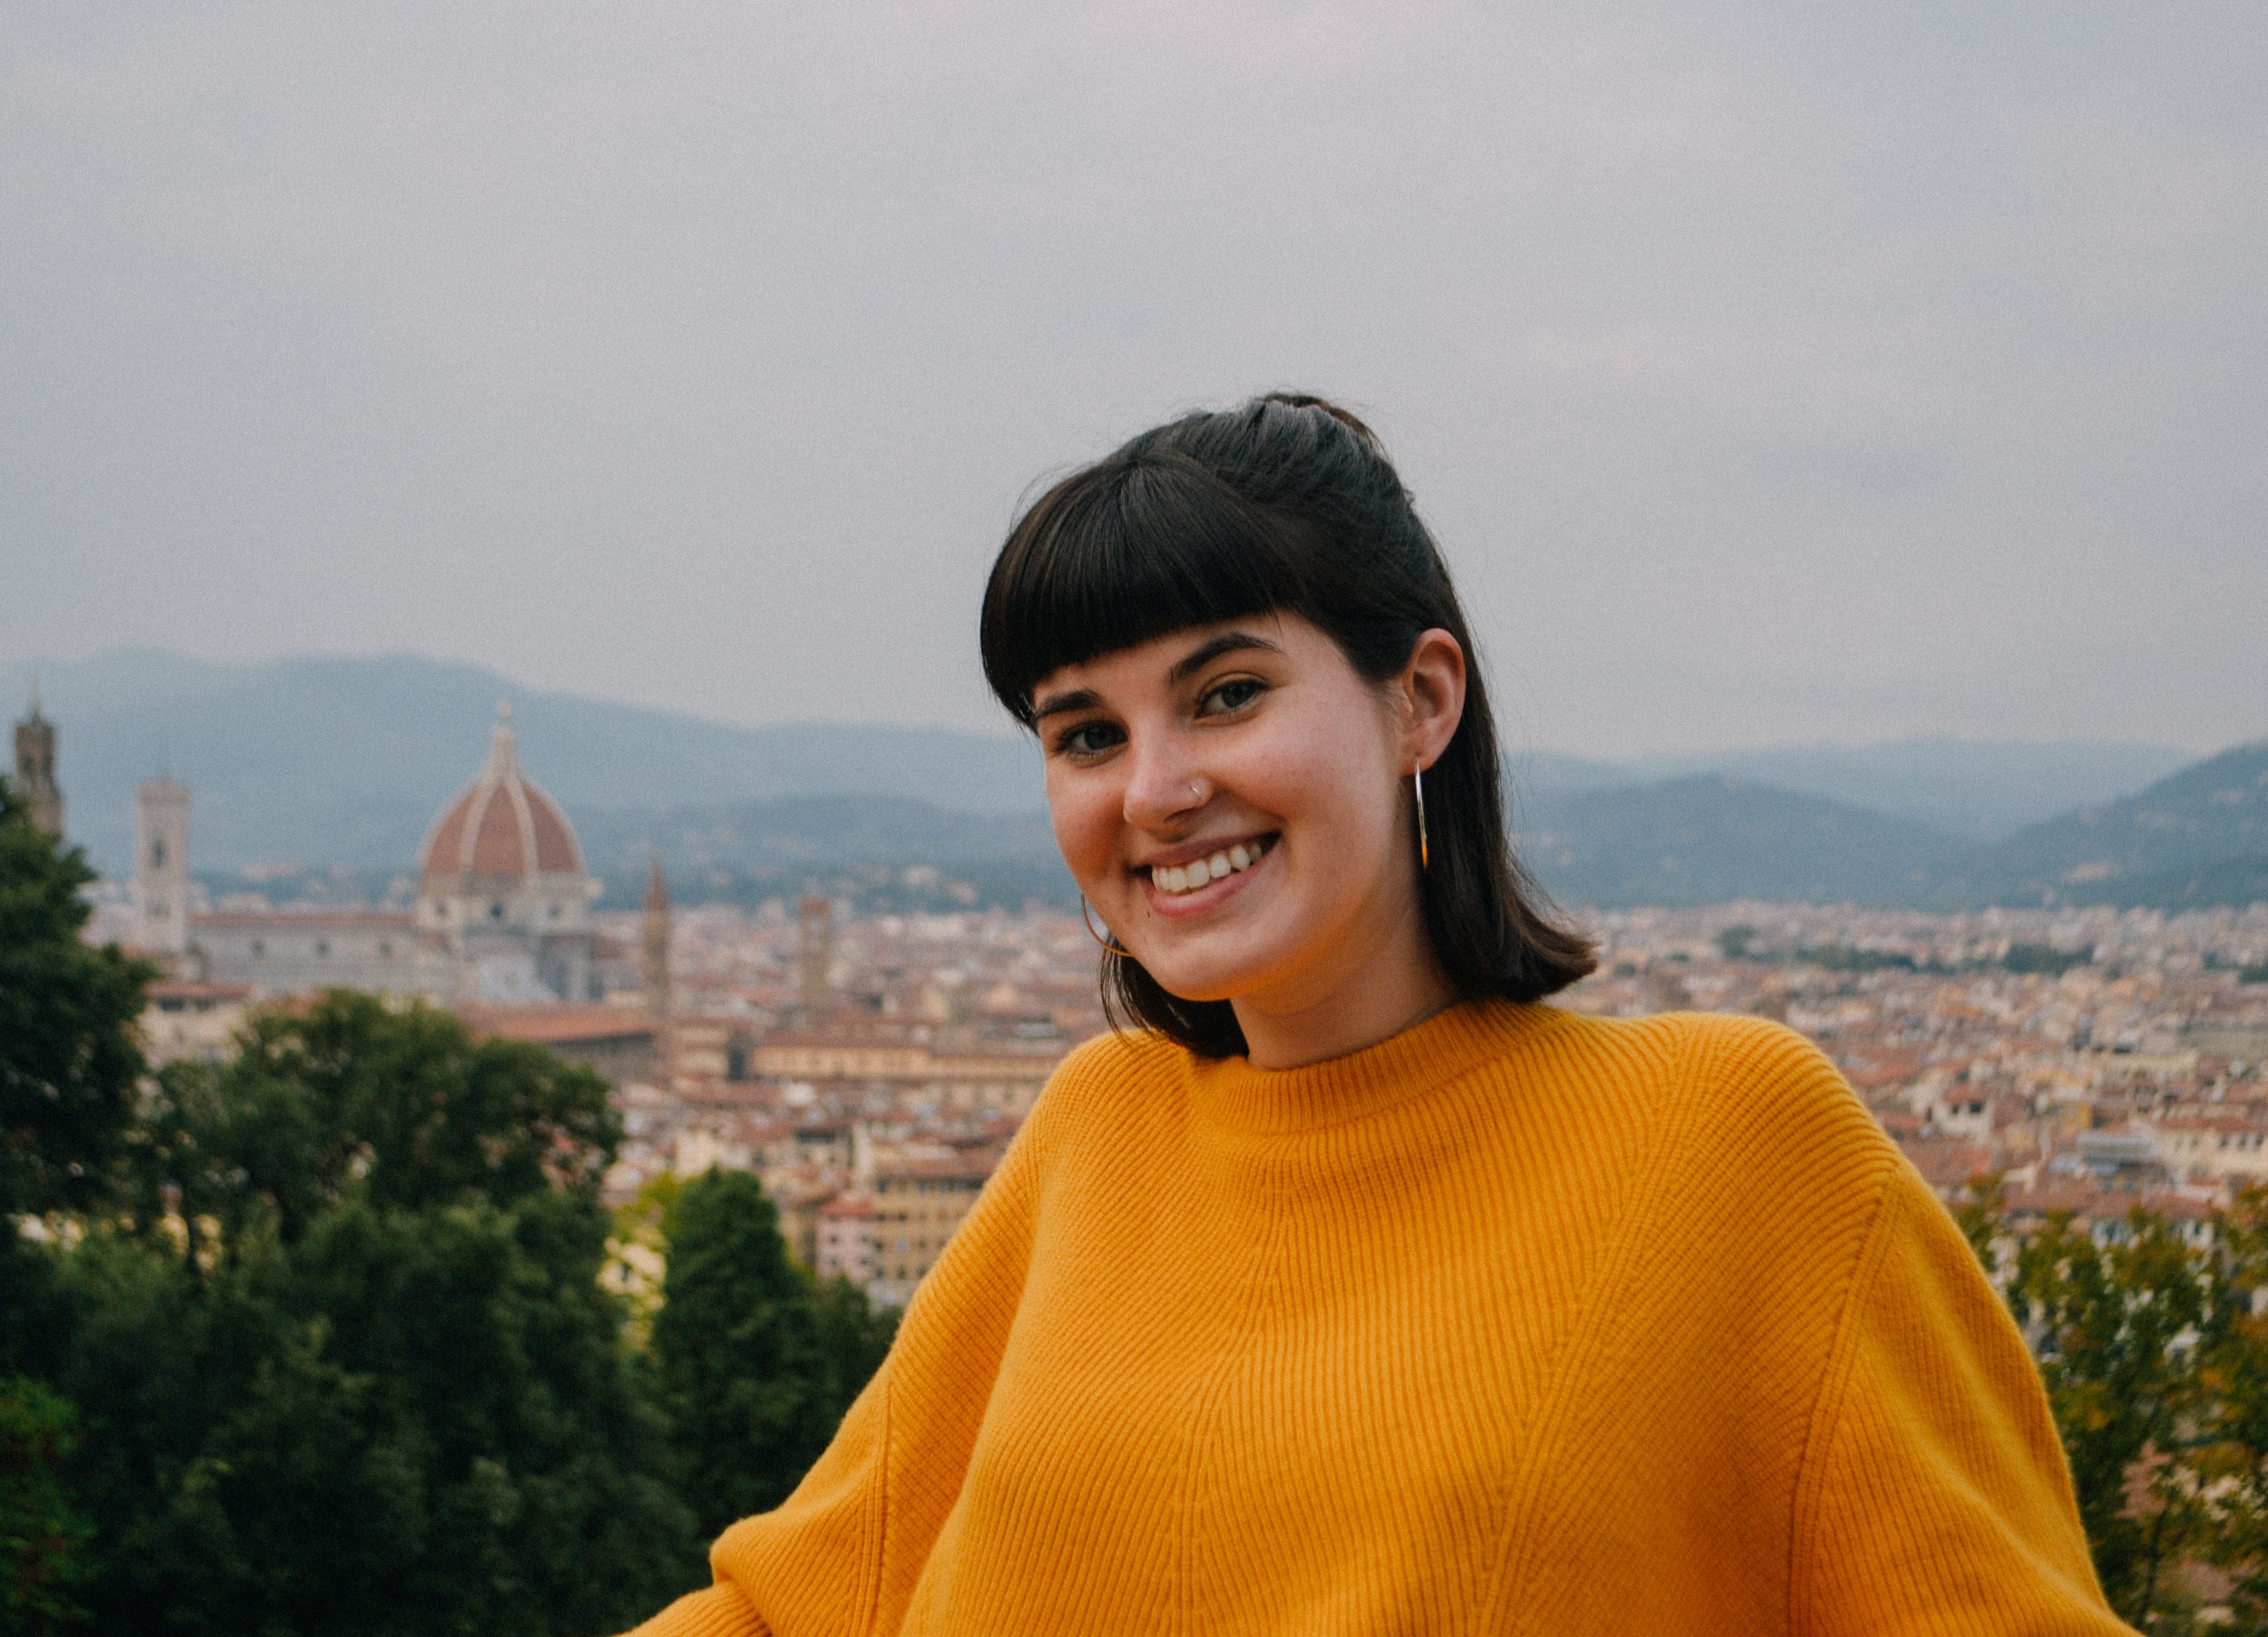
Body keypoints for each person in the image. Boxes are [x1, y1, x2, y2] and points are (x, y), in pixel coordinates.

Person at [628, 395, 2130, 1635]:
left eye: (1225, 694)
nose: (1152, 790)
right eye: (1087, 732)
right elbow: (789, 1611)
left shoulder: (1735, 1143)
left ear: (1422, 700)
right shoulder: (1095, 1131)